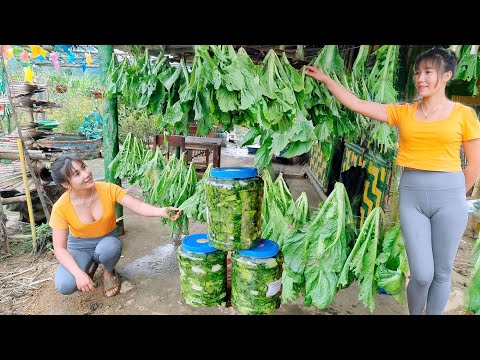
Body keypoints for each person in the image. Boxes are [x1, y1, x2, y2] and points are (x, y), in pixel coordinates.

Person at [305, 46, 480, 315]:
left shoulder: (464, 115)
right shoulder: (404, 112)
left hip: (451, 196)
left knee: (442, 272)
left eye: (428, 72)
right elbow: (358, 104)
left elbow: (474, 164)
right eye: (417, 73)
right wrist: (328, 80)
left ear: (446, 76)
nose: (421, 78)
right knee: (422, 273)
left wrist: (455, 194)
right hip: (412, 196)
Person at [48, 155, 182, 298]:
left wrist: (162, 211)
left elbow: (137, 206)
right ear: (66, 184)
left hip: (106, 240)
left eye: (84, 167)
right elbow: (60, 249)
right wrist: (78, 274)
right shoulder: (60, 207)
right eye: (77, 174)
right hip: (80, 246)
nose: (86, 174)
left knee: (110, 247)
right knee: (65, 285)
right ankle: (88, 265)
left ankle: (109, 271)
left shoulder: (108, 189)